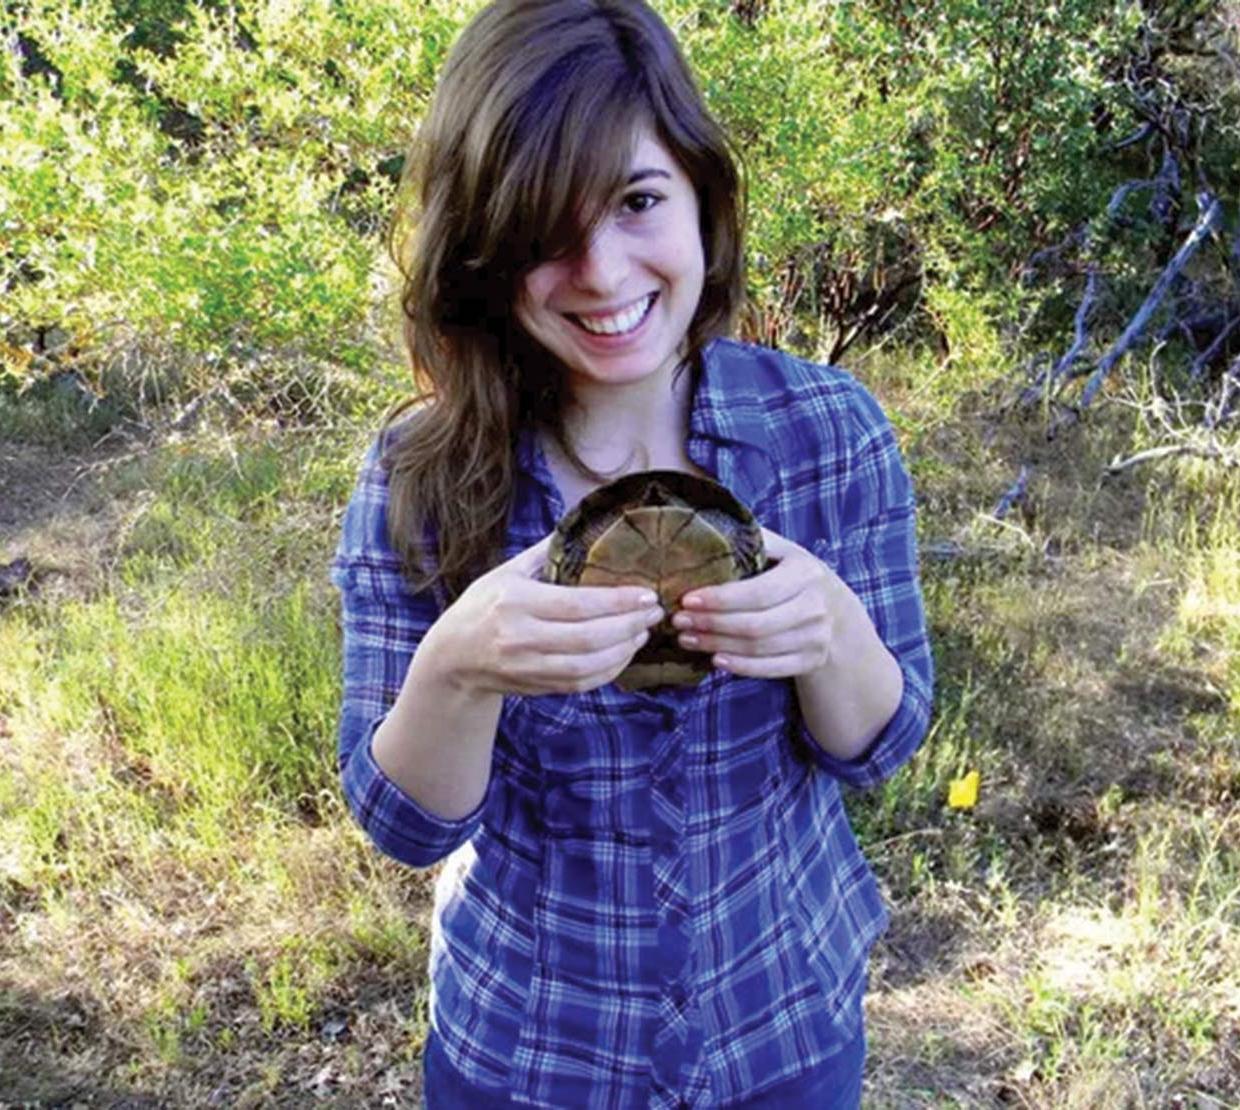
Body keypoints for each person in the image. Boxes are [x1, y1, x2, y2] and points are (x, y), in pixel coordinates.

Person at [330, 0, 934, 1105]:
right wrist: (459, 666)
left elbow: (879, 747)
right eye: (542, 236)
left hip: (781, 1021)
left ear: (703, 198)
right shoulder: (421, 474)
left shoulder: (825, 430)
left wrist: (829, 629)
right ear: (483, 250)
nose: (602, 274)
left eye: (637, 201)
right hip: (529, 1050)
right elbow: (406, 826)